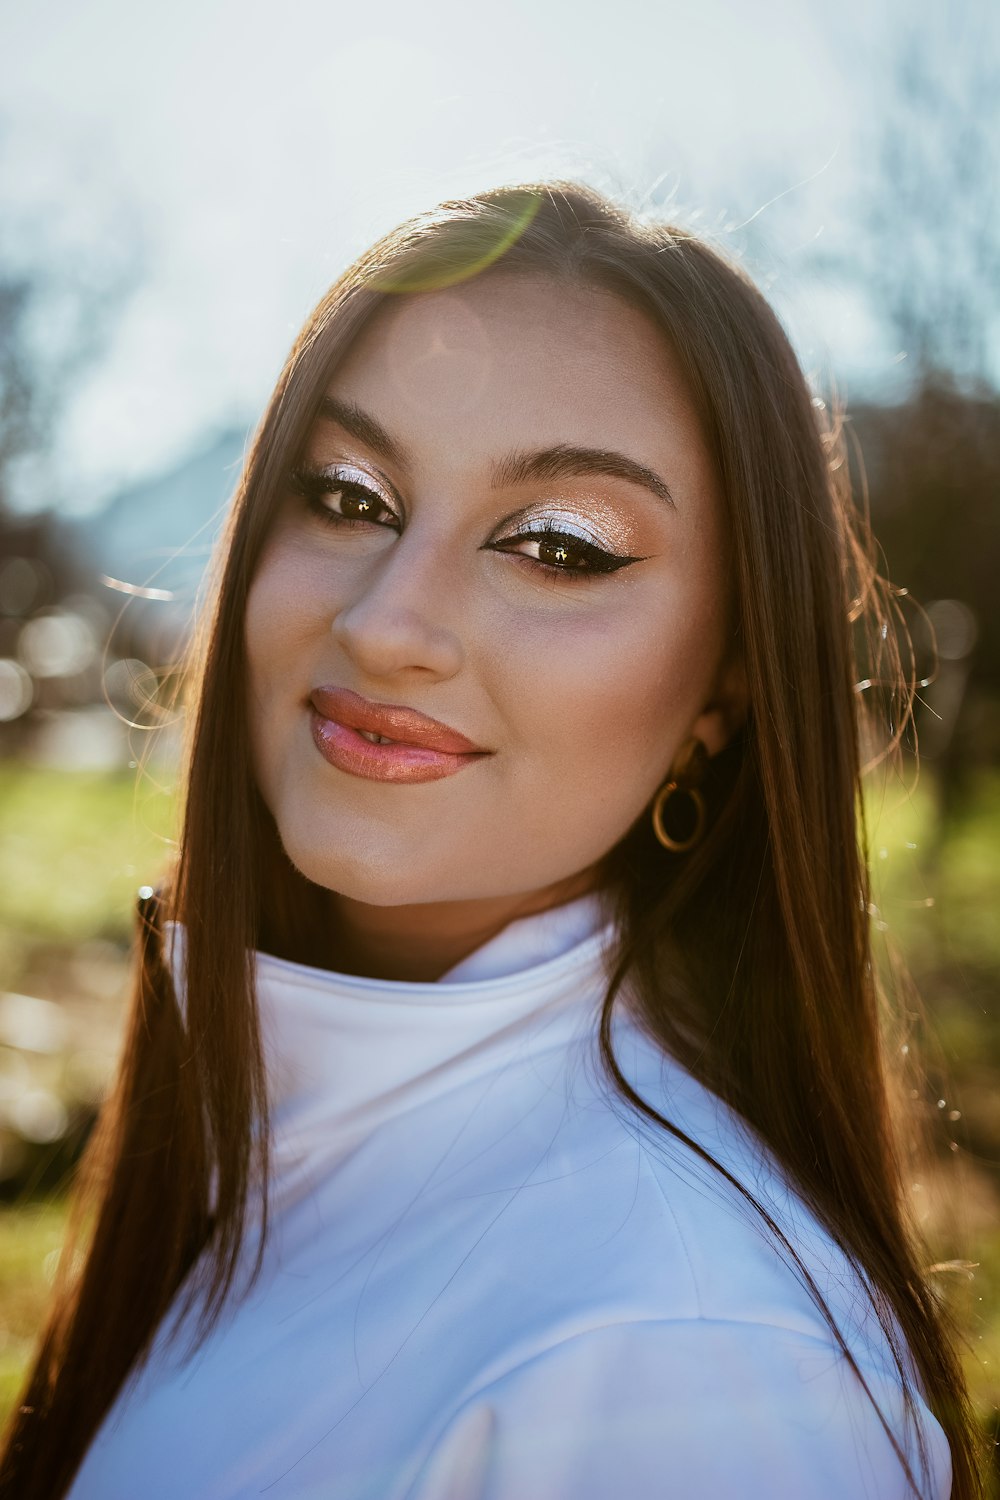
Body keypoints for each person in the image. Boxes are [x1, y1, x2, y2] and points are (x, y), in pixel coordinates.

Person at [0, 183, 983, 1499]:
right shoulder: (276, 1117)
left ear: (721, 698)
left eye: (559, 547)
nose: (389, 621)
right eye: (346, 496)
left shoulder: (688, 1360)